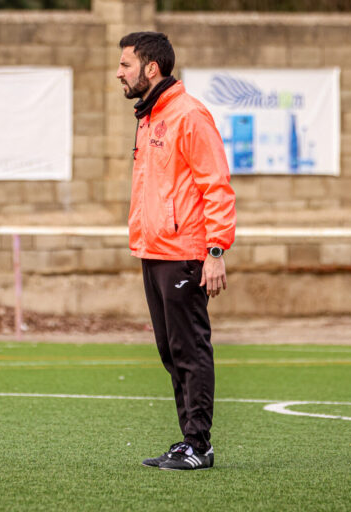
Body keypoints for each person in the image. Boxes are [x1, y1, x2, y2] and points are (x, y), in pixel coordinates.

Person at [116, 32, 236, 471]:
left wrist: (216, 249)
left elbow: (216, 185)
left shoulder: (189, 115)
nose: (119, 73)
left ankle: (198, 445)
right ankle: (188, 442)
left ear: (152, 69)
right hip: (154, 252)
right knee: (171, 352)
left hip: (184, 253)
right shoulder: (149, 117)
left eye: (126, 65)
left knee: (189, 349)